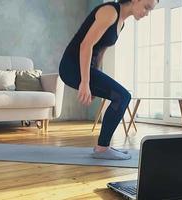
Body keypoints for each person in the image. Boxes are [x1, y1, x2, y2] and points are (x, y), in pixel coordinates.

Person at [58, 0, 159, 160]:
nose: (146, 13)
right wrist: (85, 82)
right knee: (123, 96)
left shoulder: (121, 22)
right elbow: (86, 45)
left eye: (150, 10)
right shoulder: (110, 11)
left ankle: (103, 146)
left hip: (85, 68)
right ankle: (102, 148)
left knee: (121, 96)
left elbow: (100, 51)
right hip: (71, 66)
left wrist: (92, 80)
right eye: (146, 7)